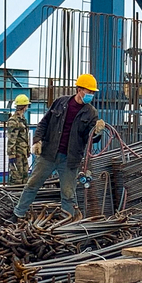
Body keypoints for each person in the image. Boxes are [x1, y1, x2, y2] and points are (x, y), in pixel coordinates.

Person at [12, 74, 105, 221]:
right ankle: (18, 214)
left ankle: (65, 223)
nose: (91, 95)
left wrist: (97, 132)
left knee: (68, 194)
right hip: (49, 154)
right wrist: (37, 141)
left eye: (93, 93)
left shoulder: (91, 112)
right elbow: (44, 123)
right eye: (89, 92)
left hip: (70, 160)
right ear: (79, 90)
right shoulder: (60, 103)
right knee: (32, 185)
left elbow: (90, 138)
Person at [7, 94, 31, 185]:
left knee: (25, 175)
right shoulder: (13, 121)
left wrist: (27, 150)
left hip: (23, 152)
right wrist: (11, 154)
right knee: (17, 176)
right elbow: (11, 139)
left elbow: (24, 137)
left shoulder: (22, 119)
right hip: (17, 154)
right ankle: (15, 195)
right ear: (24, 106)